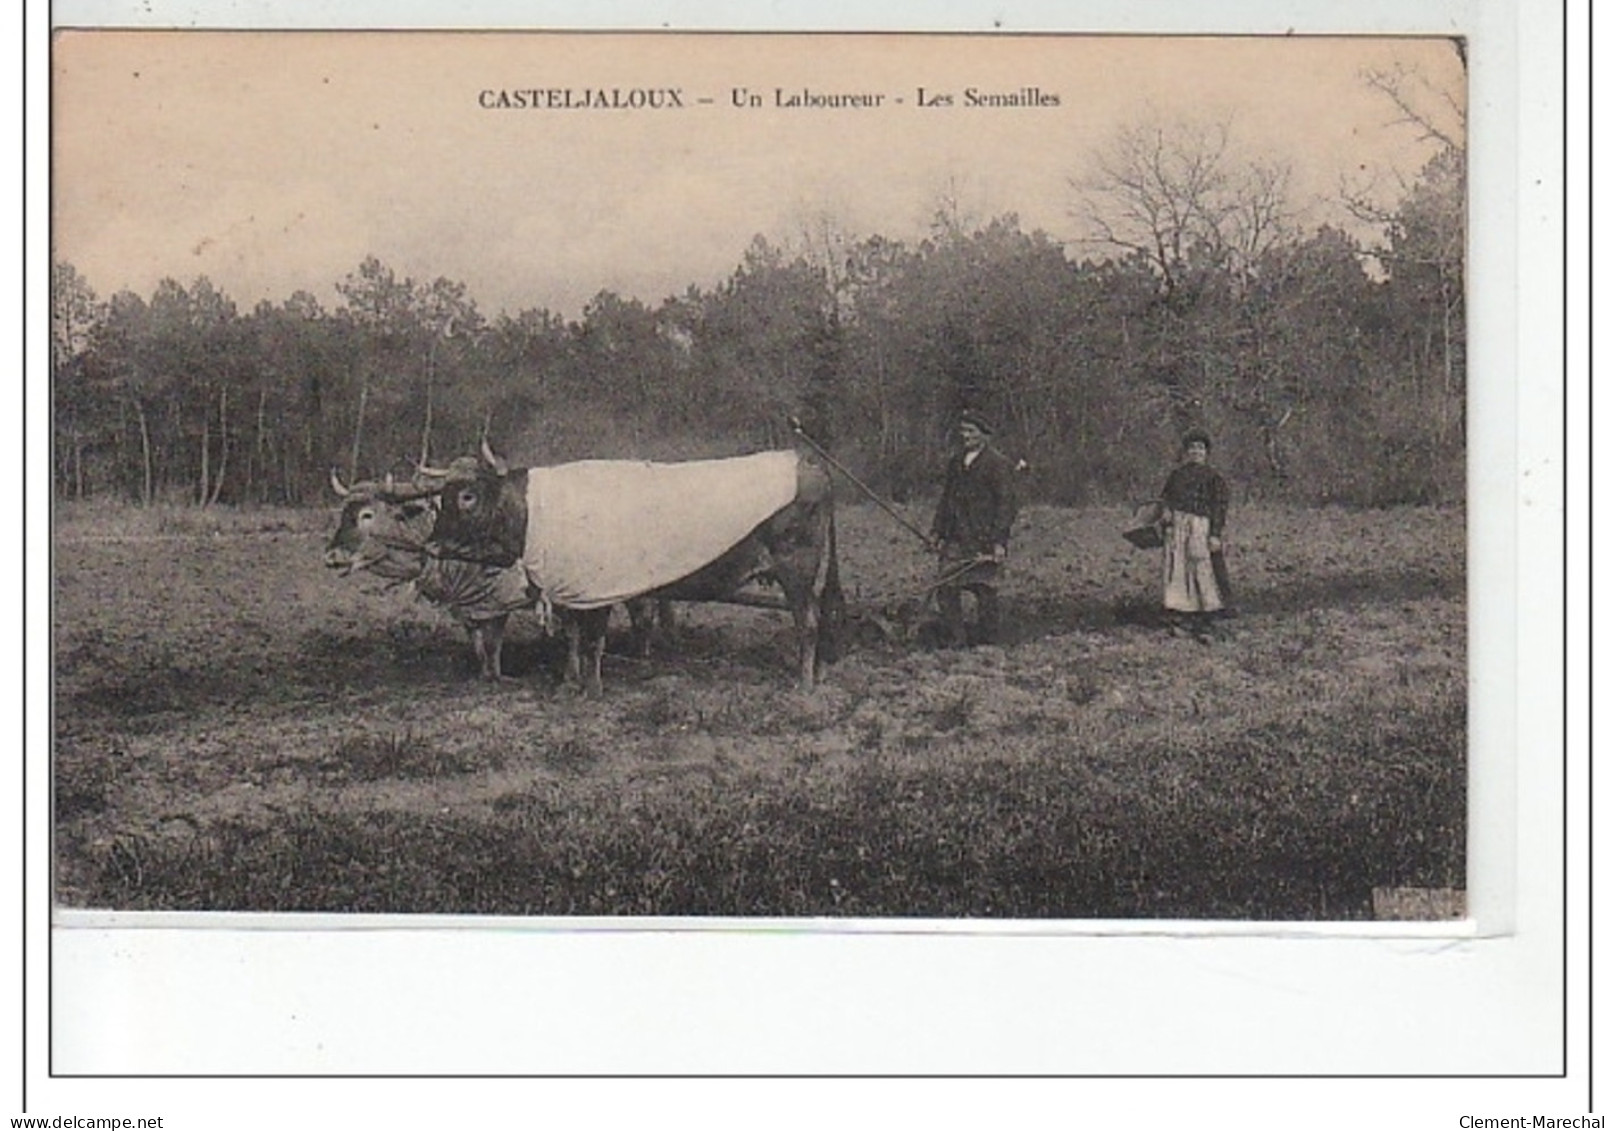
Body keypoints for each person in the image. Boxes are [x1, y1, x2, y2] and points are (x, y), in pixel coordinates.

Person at [929, 409, 1020, 647]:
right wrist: (937, 531)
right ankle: (956, 638)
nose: (965, 436)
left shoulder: (997, 464)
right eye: (963, 431)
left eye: (971, 431)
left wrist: (999, 541)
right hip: (956, 536)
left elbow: (1006, 505)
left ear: (984, 435)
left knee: (985, 589)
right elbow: (946, 499)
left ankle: (987, 642)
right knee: (945, 588)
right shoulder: (956, 462)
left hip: (983, 538)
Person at [1159, 429, 1233, 641]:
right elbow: (1166, 498)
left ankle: (1207, 613)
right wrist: (1166, 511)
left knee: (1201, 565)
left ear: (1206, 453)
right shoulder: (1177, 475)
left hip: (1201, 525)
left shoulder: (1214, 478)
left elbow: (1219, 507)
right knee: (1178, 568)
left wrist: (1215, 534)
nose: (1196, 452)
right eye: (1192, 448)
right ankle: (1181, 612)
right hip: (1178, 526)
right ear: (1186, 451)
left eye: (1200, 448)